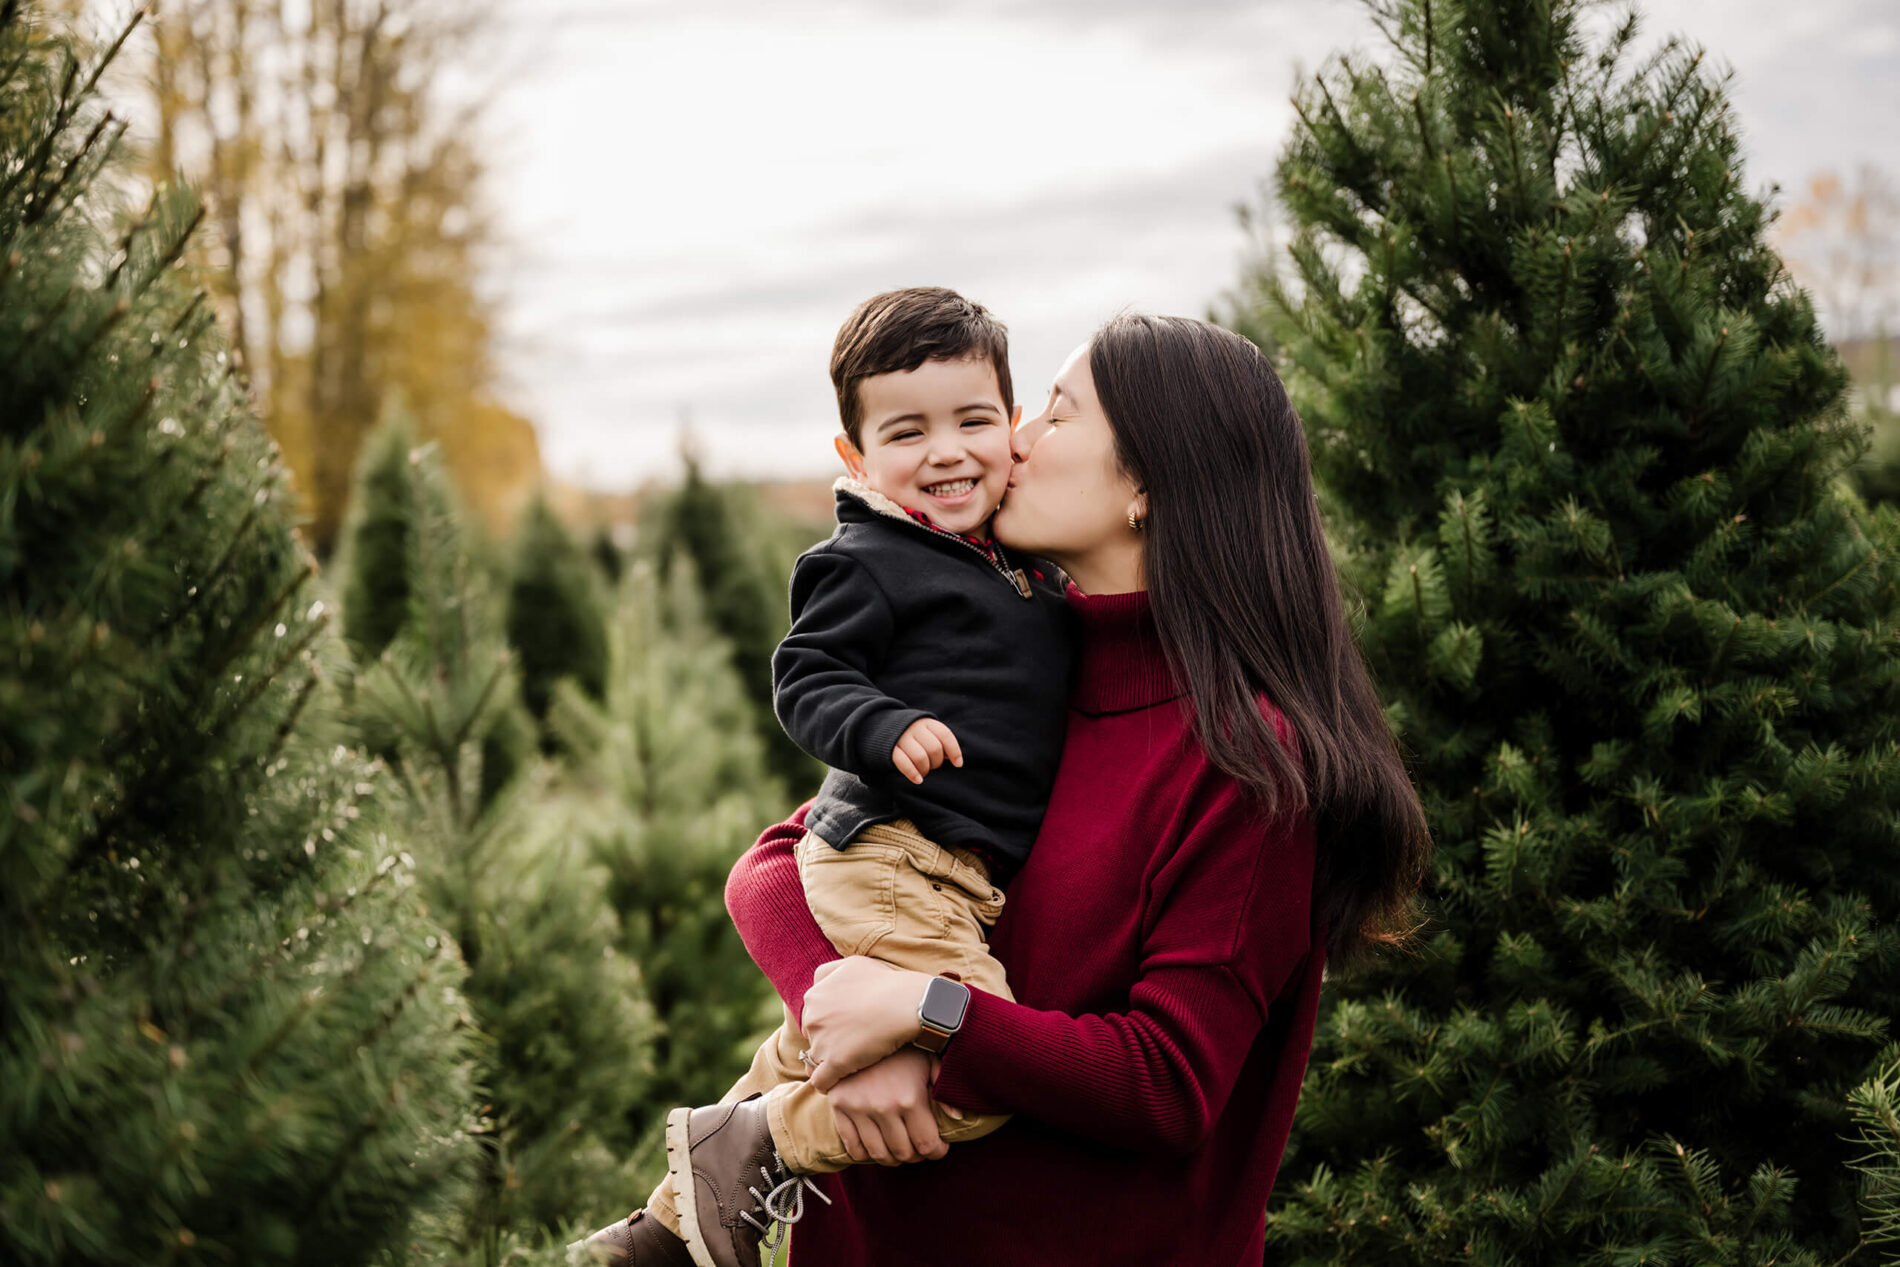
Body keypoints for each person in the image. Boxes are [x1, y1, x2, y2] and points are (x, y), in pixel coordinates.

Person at [709, 314, 1433, 1265]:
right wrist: (846, 1014)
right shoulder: (1028, 672)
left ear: (1145, 486)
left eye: (1057, 413)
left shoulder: (1249, 764)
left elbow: (1167, 1083)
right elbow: (776, 862)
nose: (1013, 439)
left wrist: (930, 1013)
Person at [573, 287, 1077, 1267]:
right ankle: (766, 1142)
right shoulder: (869, 559)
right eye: (907, 431)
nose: (947, 451)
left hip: (941, 870)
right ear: (855, 457)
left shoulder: (1016, 562)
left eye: (973, 421)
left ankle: (659, 1236)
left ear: (1013, 428)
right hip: (895, 854)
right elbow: (804, 677)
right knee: (979, 1066)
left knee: (809, 1049)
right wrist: (884, 725)